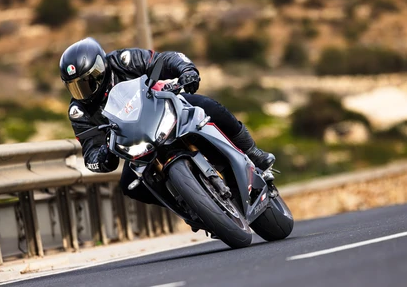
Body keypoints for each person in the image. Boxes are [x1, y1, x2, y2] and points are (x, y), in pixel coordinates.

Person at [59, 37, 275, 206]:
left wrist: (187, 71)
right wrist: (104, 155)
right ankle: (188, 205)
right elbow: (90, 155)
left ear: (100, 68)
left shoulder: (122, 60)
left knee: (208, 106)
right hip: (136, 145)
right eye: (75, 86)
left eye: (87, 81)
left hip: (165, 109)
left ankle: (253, 152)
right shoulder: (79, 111)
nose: (83, 90)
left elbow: (163, 59)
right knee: (129, 187)